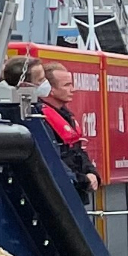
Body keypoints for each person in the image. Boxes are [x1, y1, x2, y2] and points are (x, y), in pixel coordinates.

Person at [34, 59, 101, 203]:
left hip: (76, 192)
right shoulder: (40, 118)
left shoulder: (65, 115)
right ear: (50, 89)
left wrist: (91, 173)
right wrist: (82, 180)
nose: (73, 89)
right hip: (59, 195)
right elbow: (52, 158)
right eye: (67, 85)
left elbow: (78, 150)